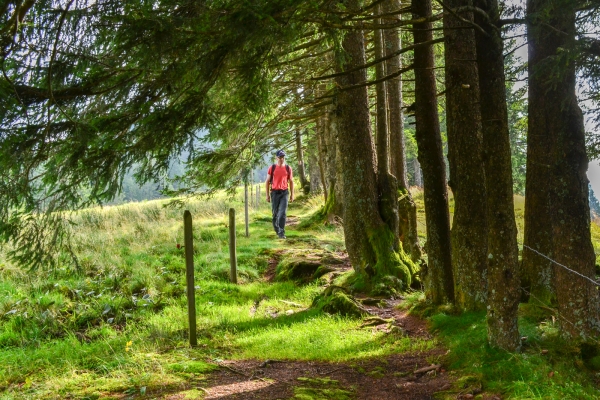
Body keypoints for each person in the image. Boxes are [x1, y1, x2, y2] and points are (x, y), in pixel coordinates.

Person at [266, 150, 294, 239]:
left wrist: (292, 195)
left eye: (283, 157)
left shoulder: (288, 168)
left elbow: (291, 181)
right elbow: (267, 182)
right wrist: (267, 195)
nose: (282, 159)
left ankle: (281, 232)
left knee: (282, 213)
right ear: (276, 158)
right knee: (275, 214)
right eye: (280, 157)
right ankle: (277, 229)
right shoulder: (272, 168)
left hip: (284, 192)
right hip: (274, 193)